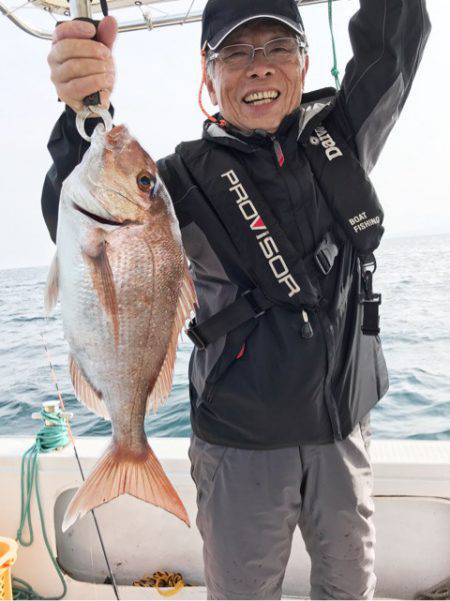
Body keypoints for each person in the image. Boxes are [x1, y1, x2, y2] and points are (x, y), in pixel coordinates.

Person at [42, 0, 431, 598]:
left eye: (278, 48)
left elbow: (393, 45)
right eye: (236, 53)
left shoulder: (341, 139)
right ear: (208, 72)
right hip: (239, 442)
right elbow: (84, 221)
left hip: (343, 433)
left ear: (303, 65)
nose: (259, 68)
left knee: (351, 587)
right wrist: (80, 115)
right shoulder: (176, 180)